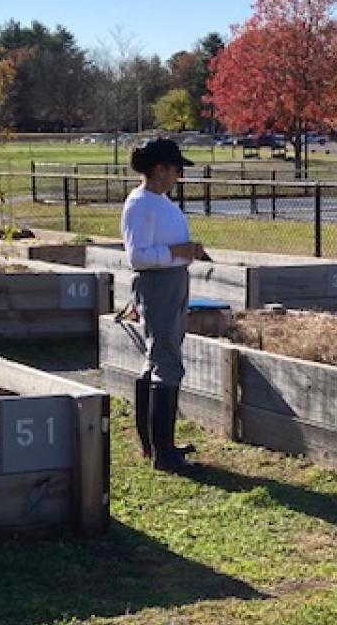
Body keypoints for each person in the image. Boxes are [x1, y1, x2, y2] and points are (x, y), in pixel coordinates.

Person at [121, 138, 207, 472]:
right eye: (176, 169)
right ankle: (164, 454)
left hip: (170, 282)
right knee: (166, 362)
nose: (179, 175)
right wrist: (178, 252)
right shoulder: (141, 204)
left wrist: (183, 251)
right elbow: (138, 255)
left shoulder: (157, 200)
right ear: (160, 169)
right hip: (159, 285)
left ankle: (155, 442)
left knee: (155, 359)